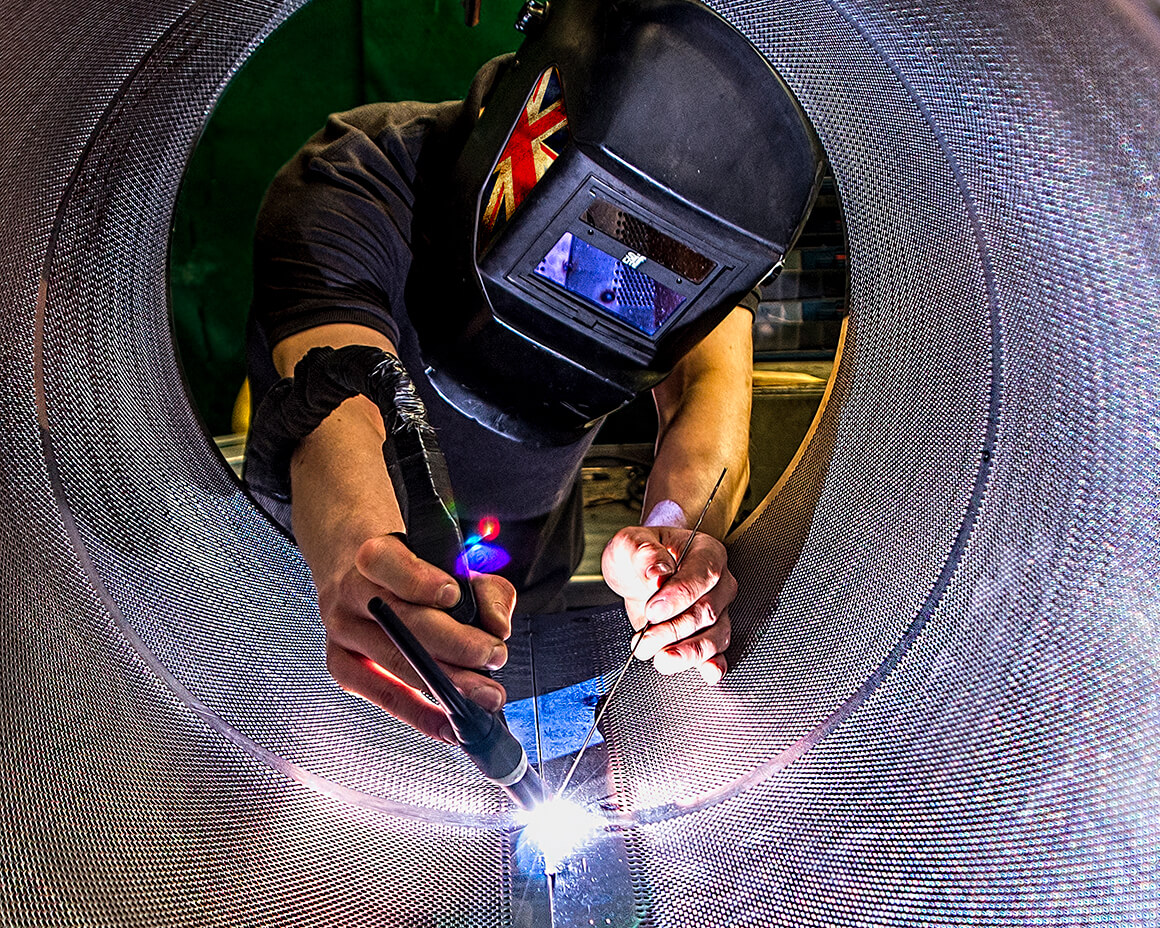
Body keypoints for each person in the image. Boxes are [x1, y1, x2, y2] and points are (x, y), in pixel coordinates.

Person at [244, 0, 821, 744]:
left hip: (530, 567)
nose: (612, 273)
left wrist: (670, 547)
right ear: (532, 129)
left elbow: (705, 395)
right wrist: (363, 560)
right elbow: (337, 399)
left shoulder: (689, 242)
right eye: (583, 241)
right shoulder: (351, 184)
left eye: (640, 264)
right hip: (322, 578)